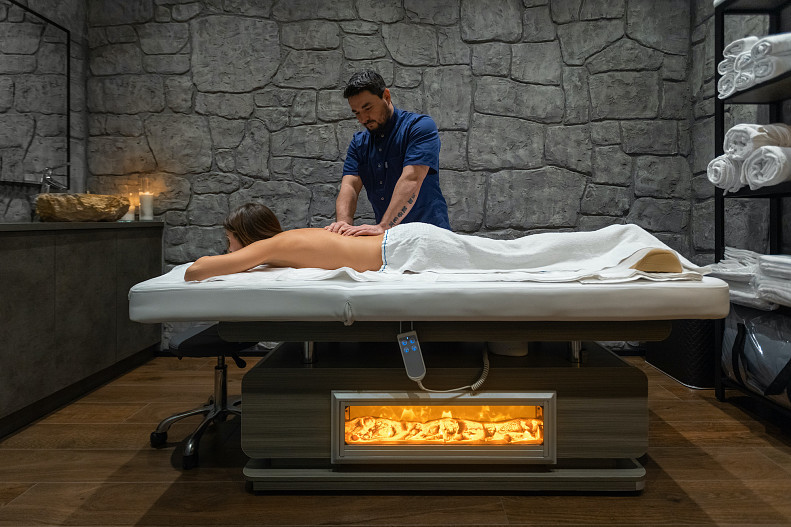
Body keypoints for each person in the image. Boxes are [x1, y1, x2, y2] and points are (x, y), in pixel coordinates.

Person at [184, 203, 693, 282]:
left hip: (408, 248)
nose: (231, 250)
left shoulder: (270, 246)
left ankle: (623, 244)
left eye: (230, 241)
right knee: (513, 254)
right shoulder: (289, 240)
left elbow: (202, 270)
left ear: (247, 237)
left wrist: (202, 264)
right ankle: (620, 247)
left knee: (515, 257)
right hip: (408, 242)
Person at [326, 70, 450, 237]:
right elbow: (350, 186)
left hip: (430, 235)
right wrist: (343, 224)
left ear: (386, 96)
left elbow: (412, 178)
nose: (363, 119)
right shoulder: (359, 143)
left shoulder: (419, 127)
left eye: (368, 108)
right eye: (357, 113)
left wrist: (383, 226)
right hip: (389, 239)